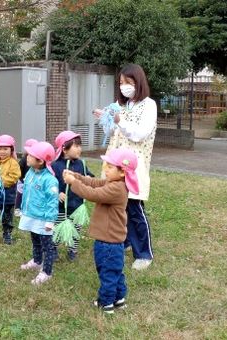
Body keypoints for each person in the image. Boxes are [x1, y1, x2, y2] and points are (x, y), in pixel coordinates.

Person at [93, 63, 156, 271]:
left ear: (138, 83)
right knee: (117, 205)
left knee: (134, 208)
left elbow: (139, 134)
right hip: (114, 164)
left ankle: (144, 253)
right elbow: (112, 133)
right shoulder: (121, 105)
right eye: (121, 83)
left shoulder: (149, 105)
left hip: (133, 166)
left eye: (128, 82)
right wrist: (105, 118)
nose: (124, 87)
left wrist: (119, 120)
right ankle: (125, 240)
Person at [63, 148, 139, 314]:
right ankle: (119, 298)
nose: (105, 169)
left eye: (110, 167)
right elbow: (94, 183)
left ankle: (106, 303)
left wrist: (72, 183)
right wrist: (77, 176)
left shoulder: (116, 189)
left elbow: (92, 194)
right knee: (115, 271)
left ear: (122, 172)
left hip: (108, 243)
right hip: (112, 241)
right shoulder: (114, 183)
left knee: (107, 273)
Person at [19, 141, 59, 285]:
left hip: (43, 218)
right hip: (31, 214)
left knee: (47, 246)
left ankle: (47, 272)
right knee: (35, 240)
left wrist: (50, 220)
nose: (27, 157)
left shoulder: (50, 180)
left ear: (40, 161)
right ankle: (37, 261)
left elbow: (52, 201)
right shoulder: (30, 172)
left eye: (30, 155)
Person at [52, 131, 94, 261]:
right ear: (64, 149)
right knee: (58, 229)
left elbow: (90, 177)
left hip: (77, 205)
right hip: (60, 207)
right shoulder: (55, 166)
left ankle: (73, 250)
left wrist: (88, 178)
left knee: (76, 230)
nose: (79, 149)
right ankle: (53, 249)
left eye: (80, 146)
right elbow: (49, 183)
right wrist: (57, 192)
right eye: (76, 146)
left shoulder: (81, 164)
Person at [14, 138, 38, 217]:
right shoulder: (24, 159)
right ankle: (17, 209)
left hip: (32, 181)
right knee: (21, 194)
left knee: (30, 195)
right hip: (23, 181)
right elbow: (18, 169)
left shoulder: (35, 159)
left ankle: (27, 209)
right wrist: (21, 178)